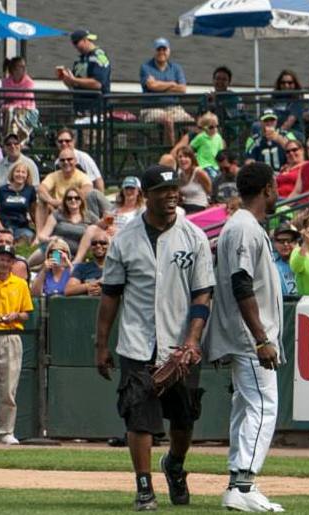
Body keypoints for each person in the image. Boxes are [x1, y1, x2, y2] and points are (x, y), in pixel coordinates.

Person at [95, 164, 215, 511]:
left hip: (180, 343)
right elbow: (110, 295)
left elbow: (203, 293)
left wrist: (193, 340)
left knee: (184, 418)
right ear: (146, 196)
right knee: (138, 415)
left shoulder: (193, 236)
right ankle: (144, 485)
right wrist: (101, 345)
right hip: (137, 339)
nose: (171, 195)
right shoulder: (126, 238)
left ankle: (174, 465)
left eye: (174, 189)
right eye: (163, 190)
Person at [205, 163, 285, 512]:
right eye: (276, 186)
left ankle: (239, 482)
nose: (278, 192)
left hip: (247, 335)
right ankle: (243, 484)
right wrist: (261, 338)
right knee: (263, 406)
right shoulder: (243, 227)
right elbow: (241, 283)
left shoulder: (244, 225)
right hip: (248, 337)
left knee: (246, 407)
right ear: (267, 188)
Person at [0, 244, 33, 446]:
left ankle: (6, 431)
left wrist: (15, 315)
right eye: (1, 258)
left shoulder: (20, 284)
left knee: (9, 388)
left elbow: (27, 313)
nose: (4, 263)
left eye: (8, 260)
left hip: (12, 335)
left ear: (12, 263)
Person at [139, 38, 192, 145]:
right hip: (151, 109)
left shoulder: (176, 68)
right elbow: (152, 85)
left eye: (164, 49)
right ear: (155, 51)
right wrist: (172, 84)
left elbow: (182, 89)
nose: (162, 52)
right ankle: (170, 155)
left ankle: (186, 153)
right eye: (159, 49)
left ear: (169, 51)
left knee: (193, 124)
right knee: (168, 120)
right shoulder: (145, 67)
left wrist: (159, 85)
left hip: (174, 108)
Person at [0, 161, 35, 247]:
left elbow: (34, 211)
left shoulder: (30, 190)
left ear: (27, 176)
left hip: (20, 226)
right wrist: (1, 229)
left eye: (23, 172)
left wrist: (39, 228)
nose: (20, 174)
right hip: (2, 225)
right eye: (17, 171)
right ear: (12, 173)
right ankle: (6, 241)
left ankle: (8, 243)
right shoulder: (2, 190)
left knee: (28, 236)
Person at [37, 148, 93, 224]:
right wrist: (51, 201)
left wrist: (66, 202)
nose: (66, 162)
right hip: (57, 210)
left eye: (69, 159)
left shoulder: (82, 176)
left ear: (75, 161)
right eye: (62, 160)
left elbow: (88, 189)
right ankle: (40, 233)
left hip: (75, 209)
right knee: (42, 200)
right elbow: (41, 189)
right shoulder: (53, 176)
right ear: (59, 163)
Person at [60, 29, 110, 113]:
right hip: (78, 108)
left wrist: (74, 80)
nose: (75, 46)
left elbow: (97, 84)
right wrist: (65, 78)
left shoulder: (99, 56)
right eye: (73, 43)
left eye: (76, 42)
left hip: (95, 109)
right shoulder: (80, 59)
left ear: (85, 40)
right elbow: (73, 85)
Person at [0, 133, 39, 203]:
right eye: (8, 144)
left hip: (21, 204)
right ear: (4, 147)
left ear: (20, 145)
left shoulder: (30, 164)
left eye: (16, 143)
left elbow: (35, 190)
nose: (12, 146)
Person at [1, 56, 37, 145]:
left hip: (27, 112)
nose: (24, 69)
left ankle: (13, 140)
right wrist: (8, 106)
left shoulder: (29, 82)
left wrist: (13, 105)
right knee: (9, 111)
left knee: (12, 112)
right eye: (20, 66)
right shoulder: (6, 82)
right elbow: (4, 99)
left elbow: (27, 102)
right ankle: (11, 139)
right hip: (10, 112)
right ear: (13, 69)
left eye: (24, 66)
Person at [65, 227, 108, 297]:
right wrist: (88, 286)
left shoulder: (116, 267)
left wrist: (104, 290)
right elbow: (68, 290)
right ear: (90, 247)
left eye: (103, 243)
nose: (98, 245)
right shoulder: (82, 267)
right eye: (94, 243)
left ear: (109, 246)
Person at [176, 147, 211, 214]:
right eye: (180, 157)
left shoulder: (198, 172)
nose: (182, 159)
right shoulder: (179, 173)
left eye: (186, 157)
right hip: (184, 205)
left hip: (199, 206)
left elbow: (209, 190)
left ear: (191, 159)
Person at [271, 70, 305, 140]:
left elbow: (289, 123)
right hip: (275, 133)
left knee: (286, 135)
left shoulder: (298, 100)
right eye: (283, 83)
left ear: (295, 84)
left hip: (293, 133)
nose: (286, 85)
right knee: (256, 126)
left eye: (290, 83)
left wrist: (275, 136)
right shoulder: (274, 100)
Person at [272, 223, 300, 298]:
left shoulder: (305, 259)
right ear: (274, 243)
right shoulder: (270, 263)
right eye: (281, 241)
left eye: (289, 240)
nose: (285, 244)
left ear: (296, 242)